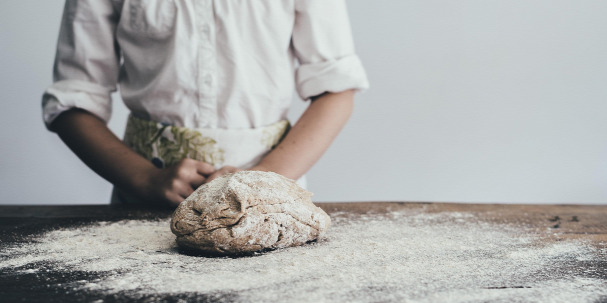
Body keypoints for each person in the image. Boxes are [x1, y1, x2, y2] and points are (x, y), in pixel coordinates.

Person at [42, 0, 369, 207]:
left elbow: (336, 90)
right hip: (145, 201)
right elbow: (72, 101)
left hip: (271, 197)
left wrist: (262, 180)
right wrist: (144, 179)